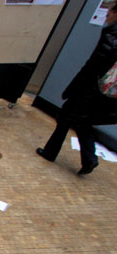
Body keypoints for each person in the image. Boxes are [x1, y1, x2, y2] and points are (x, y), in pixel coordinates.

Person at [36, 3, 117, 175]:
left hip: (89, 89)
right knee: (81, 120)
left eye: (109, 11)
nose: (106, 14)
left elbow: (93, 66)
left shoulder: (111, 36)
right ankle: (87, 158)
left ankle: (58, 153)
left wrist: (73, 87)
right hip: (102, 92)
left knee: (68, 116)